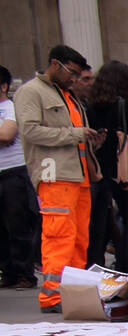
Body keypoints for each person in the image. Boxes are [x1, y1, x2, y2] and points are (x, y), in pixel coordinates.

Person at [14, 45, 103, 314]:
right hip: (54, 174)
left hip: (78, 175)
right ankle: (52, 296)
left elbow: (70, 134)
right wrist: (75, 134)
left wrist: (90, 141)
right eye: (72, 73)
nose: (75, 79)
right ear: (55, 64)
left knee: (78, 239)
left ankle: (71, 293)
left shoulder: (68, 96)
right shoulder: (31, 92)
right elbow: (30, 132)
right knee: (59, 235)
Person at [86, 61, 128, 276]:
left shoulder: (91, 105)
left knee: (109, 224)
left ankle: (114, 267)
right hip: (127, 172)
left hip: (102, 172)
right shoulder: (125, 105)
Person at [0, 64, 38, 289]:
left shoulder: (10, 108)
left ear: (4, 86)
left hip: (13, 173)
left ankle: (25, 273)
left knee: (18, 225)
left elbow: (7, 134)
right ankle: (8, 272)